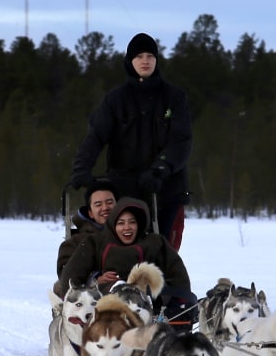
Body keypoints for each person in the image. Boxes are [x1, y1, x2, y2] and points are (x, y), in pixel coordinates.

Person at [68, 32, 192, 251]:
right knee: (124, 253)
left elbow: (180, 141)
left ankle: (168, 285)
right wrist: (81, 168)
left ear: (156, 60)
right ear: (130, 61)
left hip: (167, 190)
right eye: (139, 56)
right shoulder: (115, 100)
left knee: (164, 254)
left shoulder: (174, 97)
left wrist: (160, 169)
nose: (145, 60)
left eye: (150, 56)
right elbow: (95, 137)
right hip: (125, 192)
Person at [56, 197, 197, 332]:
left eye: (132, 222)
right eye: (121, 223)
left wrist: (181, 302)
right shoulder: (96, 242)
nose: (127, 228)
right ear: (113, 224)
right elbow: (72, 274)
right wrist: (94, 280)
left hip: (152, 298)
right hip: (107, 298)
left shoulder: (155, 243)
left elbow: (178, 274)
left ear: (140, 224)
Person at [54, 179, 117, 293]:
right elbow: (65, 273)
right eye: (98, 204)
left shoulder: (130, 236)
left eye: (109, 202)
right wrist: (95, 279)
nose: (105, 208)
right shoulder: (76, 241)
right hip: (88, 297)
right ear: (90, 213)